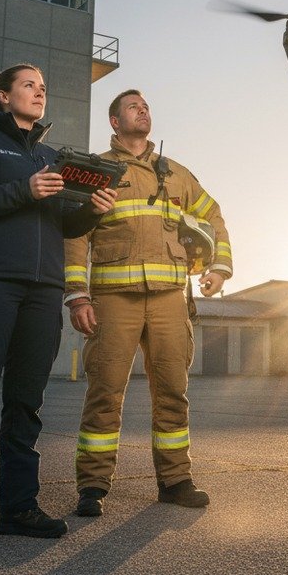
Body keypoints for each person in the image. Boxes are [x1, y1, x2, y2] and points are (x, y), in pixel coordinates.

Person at [0, 63, 116, 557]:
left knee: (25, 406)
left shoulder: (51, 156)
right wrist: (24, 189)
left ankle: (18, 510)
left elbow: (65, 224)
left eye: (43, 88)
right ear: (3, 95)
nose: (39, 93)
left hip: (42, 293)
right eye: (29, 85)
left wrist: (91, 209)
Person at [65, 90, 232, 517]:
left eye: (146, 106)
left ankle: (175, 481)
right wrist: (77, 294)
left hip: (169, 300)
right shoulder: (97, 170)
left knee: (173, 392)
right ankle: (93, 485)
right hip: (112, 300)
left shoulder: (176, 174)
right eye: (132, 106)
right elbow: (75, 234)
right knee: (105, 393)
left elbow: (213, 215)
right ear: (114, 121)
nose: (143, 110)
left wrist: (219, 268)